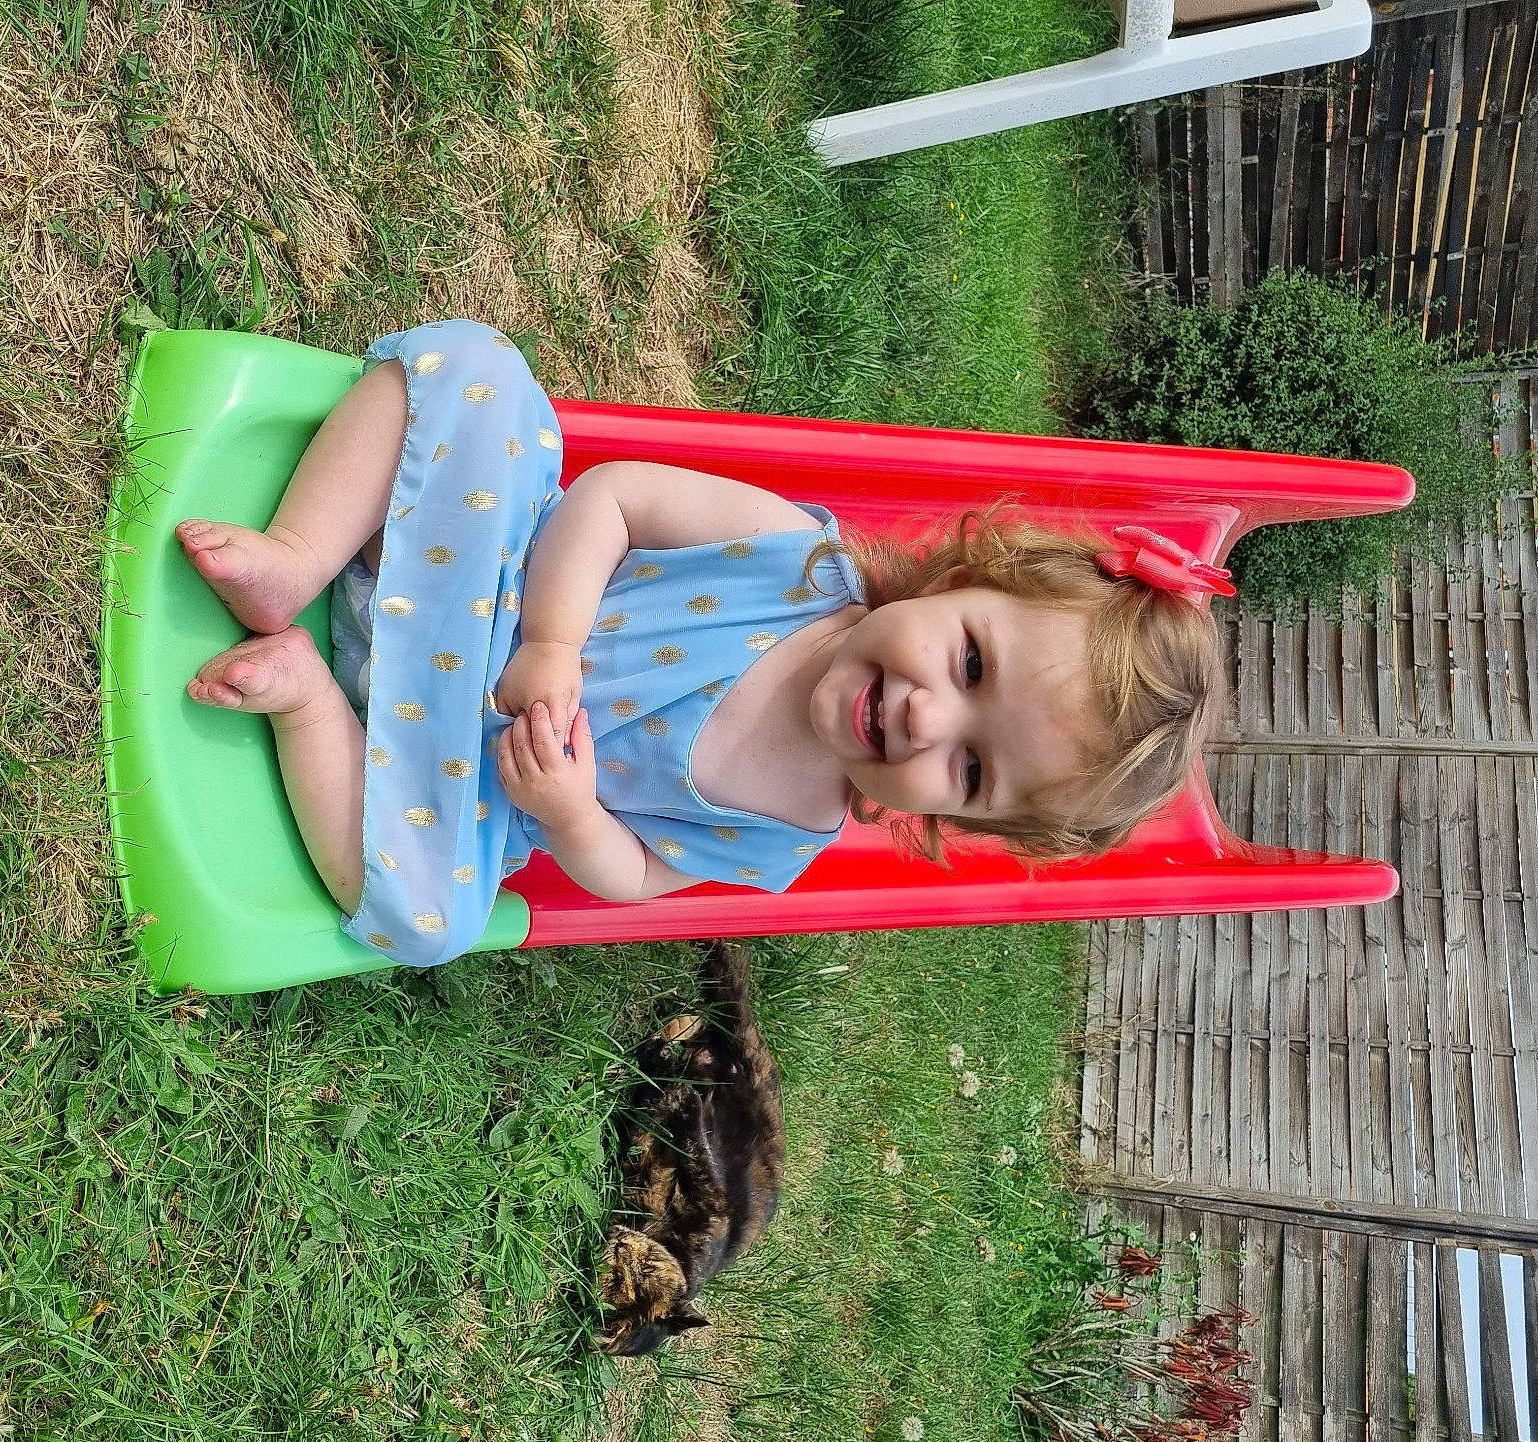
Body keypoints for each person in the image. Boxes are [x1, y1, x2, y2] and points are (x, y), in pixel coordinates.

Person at [179, 320, 1225, 966]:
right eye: (968, 666)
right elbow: (614, 497)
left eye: (968, 766)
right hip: (463, 568)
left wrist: (569, 813)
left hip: (450, 770)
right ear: (956, 582)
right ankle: (299, 560)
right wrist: (549, 636)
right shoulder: (796, 562)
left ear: (958, 818)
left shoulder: (787, 832)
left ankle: (309, 702)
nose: (923, 718)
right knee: (474, 370)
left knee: (426, 922)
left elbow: (632, 875)